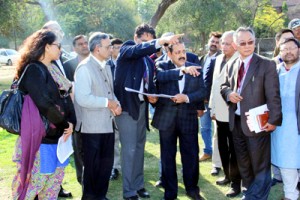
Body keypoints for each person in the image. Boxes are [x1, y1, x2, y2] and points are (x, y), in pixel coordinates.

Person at [114, 23, 182, 200]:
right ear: (136, 38)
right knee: (129, 151)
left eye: (149, 41)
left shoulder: (149, 61)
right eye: (143, 41)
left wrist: (151, 96)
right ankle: (129, 192)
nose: (146, 44)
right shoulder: (127, 49)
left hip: (142, 108)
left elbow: (148, 84)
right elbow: (137, 50)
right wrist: (160, 41)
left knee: (139, 149)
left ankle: (138, 186)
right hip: (127, 109)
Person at [11, 29, 75, 200]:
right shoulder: (33, 70)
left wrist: (72, 122)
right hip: (40, 140)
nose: (60, 49)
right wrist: (64, 124)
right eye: (57, 45)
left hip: (58, 139)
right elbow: (44, 103)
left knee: (52, 186)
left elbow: (65, 98)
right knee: (33, 185)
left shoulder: (53, 69)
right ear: (47, 47)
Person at [220, 27, 282, 200]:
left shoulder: (266, 64)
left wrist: (274, 119)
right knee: (243, 162)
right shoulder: (232, 63)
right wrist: (228, 94)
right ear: (235, 45)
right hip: (237, 122)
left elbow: (273, 95)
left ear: (255, 42)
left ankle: (258, 197)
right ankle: (249, 191)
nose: (247, 46)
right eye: (243, 43)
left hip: (259, 123)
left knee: (260, 165)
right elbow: (223, 86)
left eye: (251, 42)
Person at [152, 40, 205, 200]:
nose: (182, 55)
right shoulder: (161, 65)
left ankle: (192, 189)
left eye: (183, 51)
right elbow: (160, 78)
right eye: (178, 52)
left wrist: (187, 98)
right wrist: (182, 70)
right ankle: (170, 192)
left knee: (191, 155)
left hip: (188, 117)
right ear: (169, 54)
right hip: (166, 119)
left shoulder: (194, 66)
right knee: (167, 156)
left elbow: (202, 91)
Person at [74, 32, 121, 200]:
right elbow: (83, 98)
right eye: (108, 46)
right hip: (91, 128)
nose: (111, 49)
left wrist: (117, 104)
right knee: (92, 169)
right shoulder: (85, 68)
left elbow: (110, 92)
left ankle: (101, 196)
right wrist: (108, 103)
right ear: (97, 48)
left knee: (105, 166)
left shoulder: (106, 65)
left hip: (107, 125)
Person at [209, 30, 241, 197]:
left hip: (234, 113)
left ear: (235, 45)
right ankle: (227, 176)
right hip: (219, 113)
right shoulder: (218, 59)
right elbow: (215, 86)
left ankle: (236, 183)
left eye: (227, 44)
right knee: (222, 146)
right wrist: (212, 109)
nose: (223, 46)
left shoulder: (240, 60)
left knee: (235, 149)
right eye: (223, 43)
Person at [42, 21, 72, 197]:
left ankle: (57, 188)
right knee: (43, 172)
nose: (60, 33)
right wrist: (63, 123)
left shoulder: (59, 59)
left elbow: (67, 88)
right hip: (48, 126)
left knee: (58, 164)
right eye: (56, 31)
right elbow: (44, 101)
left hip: (61, 121)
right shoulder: (36, 67)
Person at [271, 37, 300, 200]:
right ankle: (291, 195)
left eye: (292, 48)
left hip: (298, 123)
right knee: (286, 160)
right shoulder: (275, 71)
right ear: (279, 52)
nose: (288, 51)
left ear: (298, 50)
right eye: (284, 49)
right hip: (281, 126)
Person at [63, 34, 89, 185]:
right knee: (79, 149)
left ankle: (96, 181)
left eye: (86, 43)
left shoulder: (96, 62)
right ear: (74, 48)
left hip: (95, 114)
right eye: (80, 44)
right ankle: (83, 180)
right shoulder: (68, 66)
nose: (84, 46)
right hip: (76, 114)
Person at [271, 28, 295, 187]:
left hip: (295, 120)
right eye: (285, 43)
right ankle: (280, 179)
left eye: (292, 42)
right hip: (279, 120)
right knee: (280, 149)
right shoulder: (272, 66)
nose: (288, 47)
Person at [198, 32, 222, 169]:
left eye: (217, 42)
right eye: (212, 41)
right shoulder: (202, 58)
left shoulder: (221, 59)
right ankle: (208, 151)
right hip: (202, 100)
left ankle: (218, 157)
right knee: (204, 127)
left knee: (217, 130)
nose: (214, 44)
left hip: (216, 100)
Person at [106, 38, 123, 181]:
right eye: (115, 47)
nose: (118, 50)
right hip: (111, 107)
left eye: (120, 47)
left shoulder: (126, 64)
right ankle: (115, 167)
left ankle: (128, 166)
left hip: (125, 107)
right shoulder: (106, 65)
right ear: (110, 48)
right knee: (114, 139)